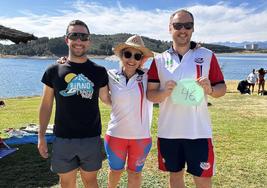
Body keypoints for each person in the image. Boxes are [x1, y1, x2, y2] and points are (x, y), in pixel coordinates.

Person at [146, 9, 226, 188]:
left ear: (193, 29)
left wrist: (211, 89)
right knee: (175, 179)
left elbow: (222, 88)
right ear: (170, 28)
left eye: (187, 25)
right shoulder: (159, 60)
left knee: (203, 180)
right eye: (178, 25)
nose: (183, 30)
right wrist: (164, 93)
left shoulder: (206, 55)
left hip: (199, 131)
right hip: (169, 132)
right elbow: (150, 94)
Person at [38, 20, 110, 188]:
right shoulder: (53, 71)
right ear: (67, 39)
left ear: (89, 41)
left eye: (83, 37)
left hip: (91, 138)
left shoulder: (99, 71)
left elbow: (107, 99)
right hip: (63, 139)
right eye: (74, 36)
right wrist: (41, 136)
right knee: (67, 183)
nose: (79, 41)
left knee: (91, 182)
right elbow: (46, 105)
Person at [104, 35, 154, 188]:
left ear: (142, 59)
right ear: (121, 55)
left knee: (134, 173)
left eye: (137, 56)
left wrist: (191, 49)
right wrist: (65, 63)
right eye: (127, 54)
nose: (131, 59)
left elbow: (171, 68)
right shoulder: (110, 75)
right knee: (115, 171)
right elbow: (87, 71)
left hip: (141, 138)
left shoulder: (148, 76)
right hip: (115, 136)